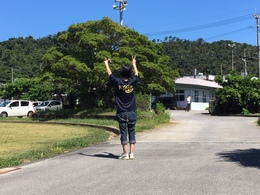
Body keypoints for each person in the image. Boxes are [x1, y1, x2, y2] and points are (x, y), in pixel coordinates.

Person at [104, 56, 139, 160]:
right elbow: (137, 74)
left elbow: (110, 74)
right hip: (132, 111)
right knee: (132, 131)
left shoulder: (117, 82)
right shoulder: (133, 81)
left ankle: (125, 153)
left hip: (121, 111)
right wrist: (134, 63)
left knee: (123, 131)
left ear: (121, 73)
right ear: (129, 74)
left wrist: (106, 63)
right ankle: (132, 153)